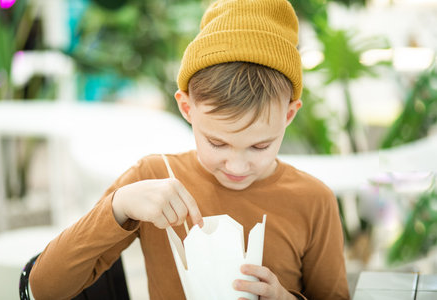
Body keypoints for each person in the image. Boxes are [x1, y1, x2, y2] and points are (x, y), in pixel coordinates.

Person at [30, 0, 350, 299]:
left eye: (259, 146)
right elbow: (43, 288)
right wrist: (119, 206)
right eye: (217, 142)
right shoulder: (153, 179)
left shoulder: (313, 201)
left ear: (289, 114)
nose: (237, 167)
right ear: (187, 108)